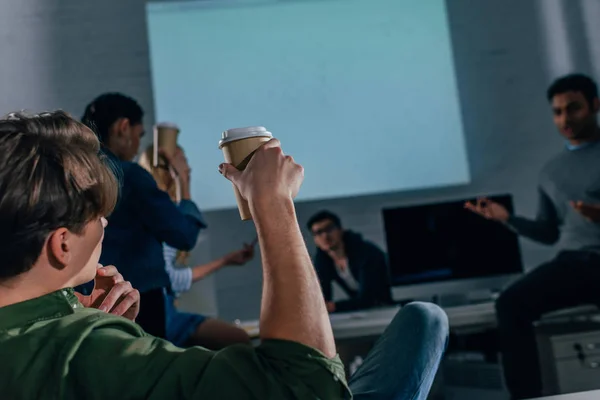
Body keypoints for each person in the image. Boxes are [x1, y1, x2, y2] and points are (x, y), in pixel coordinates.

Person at [0, 111, 448, 399]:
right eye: (99, 218)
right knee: (426, 319)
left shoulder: (76, 342)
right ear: (62, 245)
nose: (106, 226)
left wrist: (95, 327)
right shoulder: (86, 350)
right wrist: (274, 207)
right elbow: (307, 389)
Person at [465, 73, 600, 399]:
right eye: (558, 112)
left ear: (595, 105)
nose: (565, 119)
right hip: (573, 264)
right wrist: (508, 219)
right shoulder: (551, 171)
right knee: (510, 304)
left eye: (574, 108)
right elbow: (549, 233)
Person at [80, 93, 205, 339]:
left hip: (88, 295)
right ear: (123, 127)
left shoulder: (76, 171)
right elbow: (183, 235)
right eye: (139, 135)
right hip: (137, 298)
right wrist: (183, 182)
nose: (138, 144)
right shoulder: (130, 176)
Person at [138, 143, 252, 348]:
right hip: (162, 314)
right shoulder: (160, 214)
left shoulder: (162, 210)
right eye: (181, 161)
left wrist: (227, 260)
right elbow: (171, 278)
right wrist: (184, 182)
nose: (188, 168)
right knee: (238, 340)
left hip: (164, 311)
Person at [308, 210, 393, 312]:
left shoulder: (366, 252)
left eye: (329, 229)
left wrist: (334, 306)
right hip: (362, 311)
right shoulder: (322, 259)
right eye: (319, 232)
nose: (325, 236)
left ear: (340, 230)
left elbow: (368, 298)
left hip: (384, 307)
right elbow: (323, 297)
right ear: (315, 240)